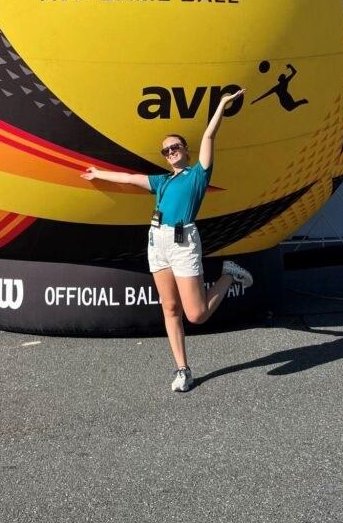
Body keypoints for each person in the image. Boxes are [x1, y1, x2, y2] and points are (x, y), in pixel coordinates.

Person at [81, 89, 252, 392]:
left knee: (196, 314)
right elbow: (129, 179)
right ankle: (183, 369)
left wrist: (222, 106)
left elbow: (210, 136)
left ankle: (229, 274)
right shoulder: (161, 181)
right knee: (170, 308)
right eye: (166, 151)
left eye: (175, 147)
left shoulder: (198, 175)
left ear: (186, 149)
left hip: (183, 241)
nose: (171, 152)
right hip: (156, 242)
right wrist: (99, 174)